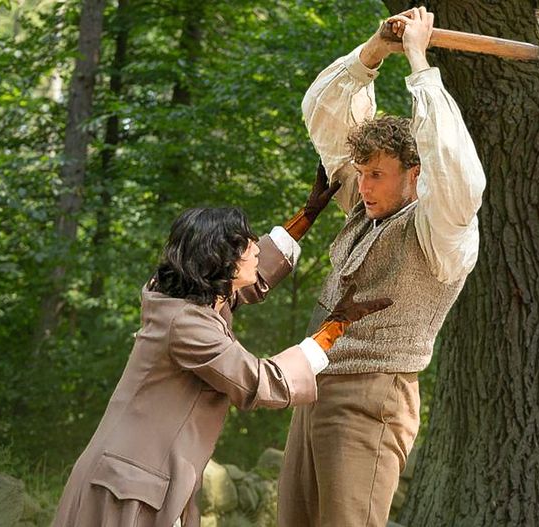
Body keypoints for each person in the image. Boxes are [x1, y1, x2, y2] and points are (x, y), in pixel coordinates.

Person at [52, 168, 391, 527]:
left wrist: (305, 217)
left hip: (132, 479)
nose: (256, 247)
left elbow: (246, 281)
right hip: (127, 490)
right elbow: (258, 381)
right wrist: (336, 325)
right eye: (246, 244)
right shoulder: (187, 324)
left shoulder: (186, 297)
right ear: (219, 260)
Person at [277, 7, 486, 526]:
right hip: (314, 388)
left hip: (371, 398)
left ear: (414, 174)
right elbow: (326, 113)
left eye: (377, 175)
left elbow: (453, 162)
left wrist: (418, 59)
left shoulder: (440, 228)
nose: (364, 185)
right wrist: (375, 50)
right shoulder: (364, 208)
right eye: (362, 173)